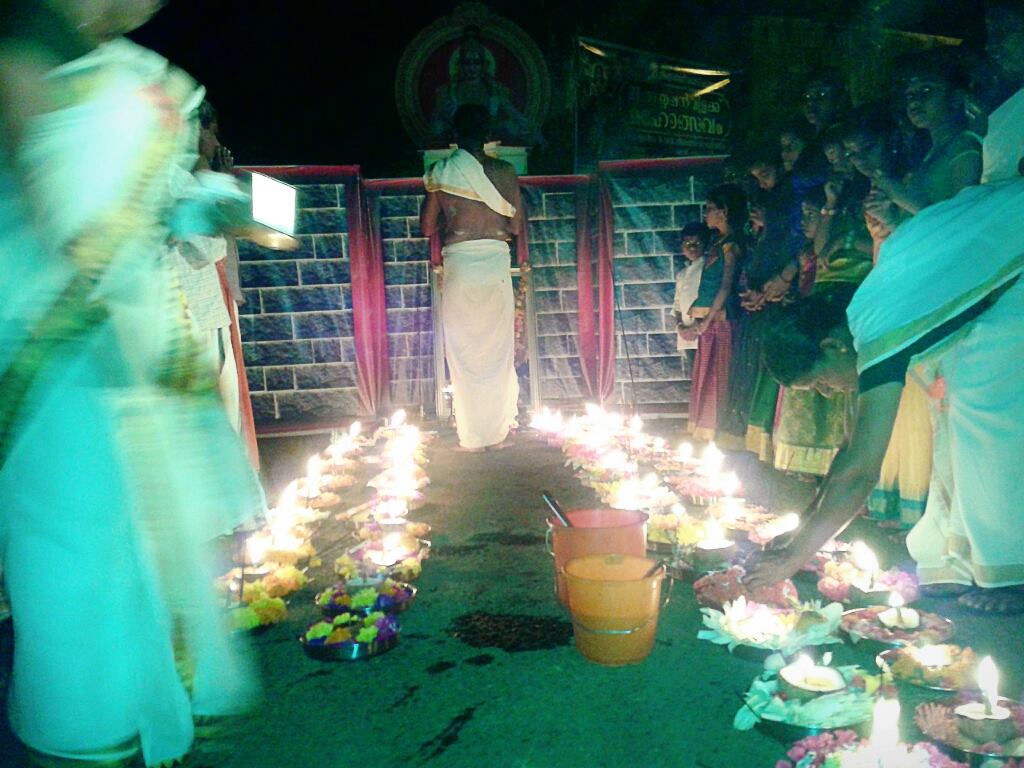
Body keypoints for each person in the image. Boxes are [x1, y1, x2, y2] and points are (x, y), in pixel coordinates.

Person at [0, 2, 263, 765]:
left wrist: (204, 204)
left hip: (111, 338)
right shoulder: (22, 41)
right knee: (79, 558)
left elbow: (125, 211)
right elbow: (58, 220)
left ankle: (139, 724)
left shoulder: (119, 66)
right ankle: (87, 737)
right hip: (53, 353)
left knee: (136, 545)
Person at [745, 0, 1024, 615]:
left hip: (1012, 277)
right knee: (955, 423)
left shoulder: (879, 330)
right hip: (994, 279)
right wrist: (798, 536)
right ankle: (955, 553)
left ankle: (1007, 568)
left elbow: (859, 470)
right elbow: (848, 457)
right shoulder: (865, 320)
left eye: (819, 384)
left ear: (832, 346)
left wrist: (794, 559)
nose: (828, 394)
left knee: (986, 420)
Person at [421, 103, 526, 452]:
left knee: (464, 350)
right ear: (489, 136)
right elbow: (515, 226)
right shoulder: (507, 171)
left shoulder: (441, 172)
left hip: (461, 264)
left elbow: (426, 228)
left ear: (454, 137)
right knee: (497, 351)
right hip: (495, 263)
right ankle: (496, 434)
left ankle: (472, 435)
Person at [685, 184, 745, 441]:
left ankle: (720, 429)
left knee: (719, 373)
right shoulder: (717, 243)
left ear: (725, 211)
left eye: (710, 209)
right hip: (709, 321)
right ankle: (706, 429)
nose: (706, 214)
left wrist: (708, 319)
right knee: (706, 372)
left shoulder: (731, 245)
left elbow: (726, 284)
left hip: (720, 320)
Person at [430, 31, 536, 147]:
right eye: (467, 63)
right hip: (458, 139)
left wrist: (534, 132)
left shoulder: (496, 90)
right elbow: (436, 119)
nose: (472, 67)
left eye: (476, 63)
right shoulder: (447, 91)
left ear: (483, 65)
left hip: (488, 137)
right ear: (460, 65)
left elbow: (513, 114)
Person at [671, 222, 710, 380]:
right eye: (687, 243)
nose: (692, 247)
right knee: (696, 379)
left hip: (704, 333)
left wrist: (696, 326)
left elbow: (710, 300)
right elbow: (677, 305)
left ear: (705, 245)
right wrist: (680, 326)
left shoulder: (708, 269)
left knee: (707, 378)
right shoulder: (682, 274)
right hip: (686, 337)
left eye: (697, 243)